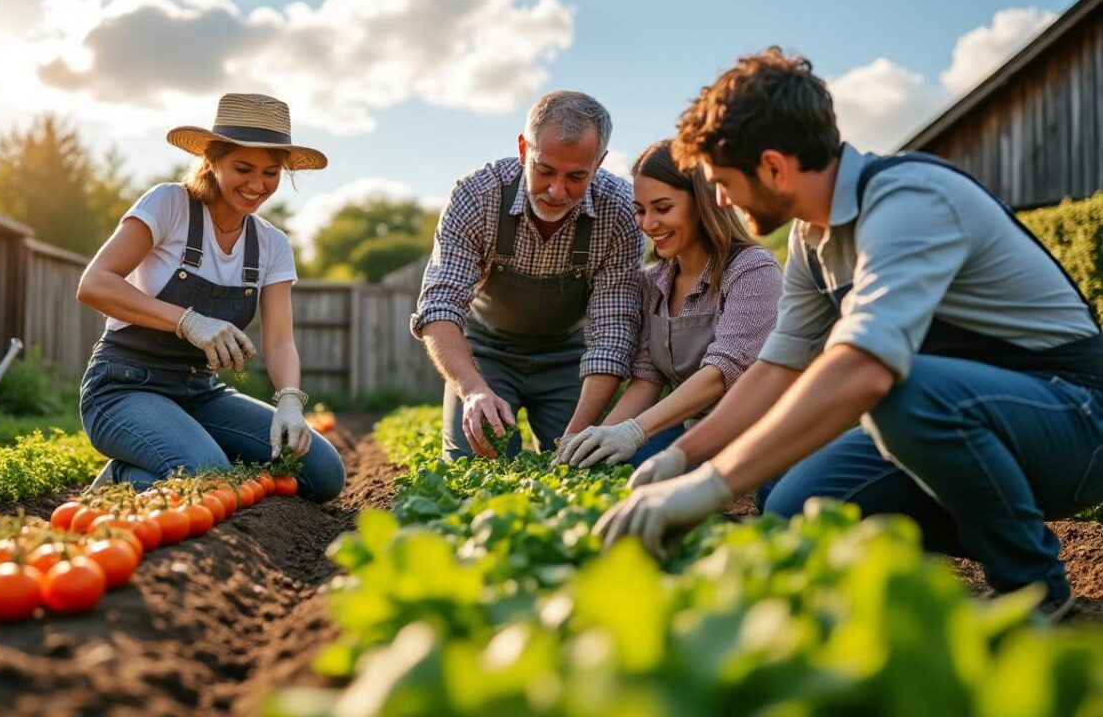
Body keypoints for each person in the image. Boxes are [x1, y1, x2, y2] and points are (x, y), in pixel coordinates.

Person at [595, 48, 1103, 622]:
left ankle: (1034, 591)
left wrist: (712, 485)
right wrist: (682, 457)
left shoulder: (908, 200)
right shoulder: (813, 244)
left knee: (895, 388)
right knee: (794, 503)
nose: (721, 200)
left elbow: (864, 366)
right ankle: (964, 549)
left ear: (774, 167)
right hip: (973, 417)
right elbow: (773, 368)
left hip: (1076, 418)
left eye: (722, 183)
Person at [75, 93, 345, 501]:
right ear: (212, 160)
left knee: (323, 474)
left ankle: (175, 456)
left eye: (271, 173)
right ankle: (122, 477)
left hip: (200, 393)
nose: (257, 185)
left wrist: (290, 400)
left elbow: (279, 340)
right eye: (243, 168)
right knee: (207, 477)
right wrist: (189, 321)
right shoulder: (169, 204)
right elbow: (94, 284)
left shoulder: (272, 245)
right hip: (124, 386)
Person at [411, 91, 644, 460]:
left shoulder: (620, 213)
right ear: (524, 149)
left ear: (598, 164)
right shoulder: (477, 196)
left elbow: (613, 335)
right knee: (475, 464)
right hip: (487, 353)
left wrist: (576, 436)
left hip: (571, 357)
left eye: (576, 177)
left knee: (585, 463)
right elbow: (440, 304)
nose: (556, 191)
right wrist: (473, 390)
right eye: (545, 170)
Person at [553, 140, 781, 469]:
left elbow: (721, 373)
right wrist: (597, 438)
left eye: (662, 208)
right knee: (607, 469)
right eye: (641, 210)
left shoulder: (752, 270)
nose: (648, 224)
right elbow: (647, 378)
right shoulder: (654, 282)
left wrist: (634, 430)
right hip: (692, 428)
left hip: (759, 433)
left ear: (702, 204)